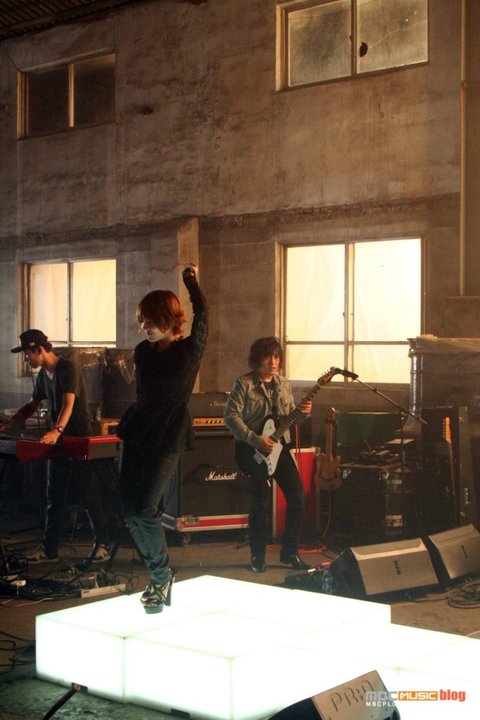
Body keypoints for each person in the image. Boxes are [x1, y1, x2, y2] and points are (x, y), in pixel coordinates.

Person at [117, 264, 208, 614]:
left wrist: (190, 281)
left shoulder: (189, 350)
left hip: (169, 434)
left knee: (144, 509)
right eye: (142, 321)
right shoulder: (142, 351)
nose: (145, 327)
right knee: (129, 511)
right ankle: (160, 575)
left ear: (171, 320)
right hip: (138, 430)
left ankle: (160, 577)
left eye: (152, 320)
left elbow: (204, 315)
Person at [7, 329, 111, 563]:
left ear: (38, 350)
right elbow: (33, 403)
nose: (25, 359)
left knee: (86, 491)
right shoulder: (43, 376)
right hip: (59, 439)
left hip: (77, 436)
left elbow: (68, 404)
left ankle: (103, 543)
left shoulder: (68, 369)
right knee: (54, 493)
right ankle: (49, 549)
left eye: (26, 354)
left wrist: (57, 430)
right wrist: (15, 418)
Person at [223, 337, 312, 573]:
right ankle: (257, 556)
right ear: (257, 359)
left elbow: (289, 418)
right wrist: (256, 440)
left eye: (276, 356)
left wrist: (303, 413)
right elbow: (230, 417)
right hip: (252, 450)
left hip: (280, 448)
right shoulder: (244, 383)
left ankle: (290, 551)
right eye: (268, 356)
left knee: (298, 497)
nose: (273, 362)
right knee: (260, 503)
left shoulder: (283, 384)